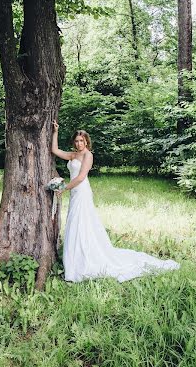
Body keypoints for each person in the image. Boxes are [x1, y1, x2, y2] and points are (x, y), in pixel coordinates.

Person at [51, 121, 180, 283]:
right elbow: (54, 150)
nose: (79, 143)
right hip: (75, 193)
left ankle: (86, 258)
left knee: (82, 223)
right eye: (76, 141)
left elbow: (81, 177)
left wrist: (64, 188)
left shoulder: (88, 155)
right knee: (74, 223)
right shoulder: (73, 155)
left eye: (81, 141)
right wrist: (55, 131)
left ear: (86, 142)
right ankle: (75, 258)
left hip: (82, 192)